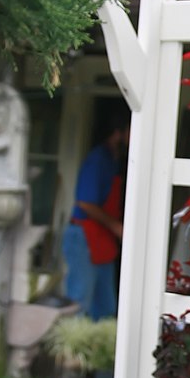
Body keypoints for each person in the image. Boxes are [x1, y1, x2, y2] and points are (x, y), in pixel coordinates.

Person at [62, 109, 129, 320]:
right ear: (117, 133)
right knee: (79, 301)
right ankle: (71, 353)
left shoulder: (114, 160)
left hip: (102, 239)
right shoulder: (97, 159)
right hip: (83, 236)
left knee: (106, 305)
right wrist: (116, 226)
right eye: (129, 131)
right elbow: (86, 203)